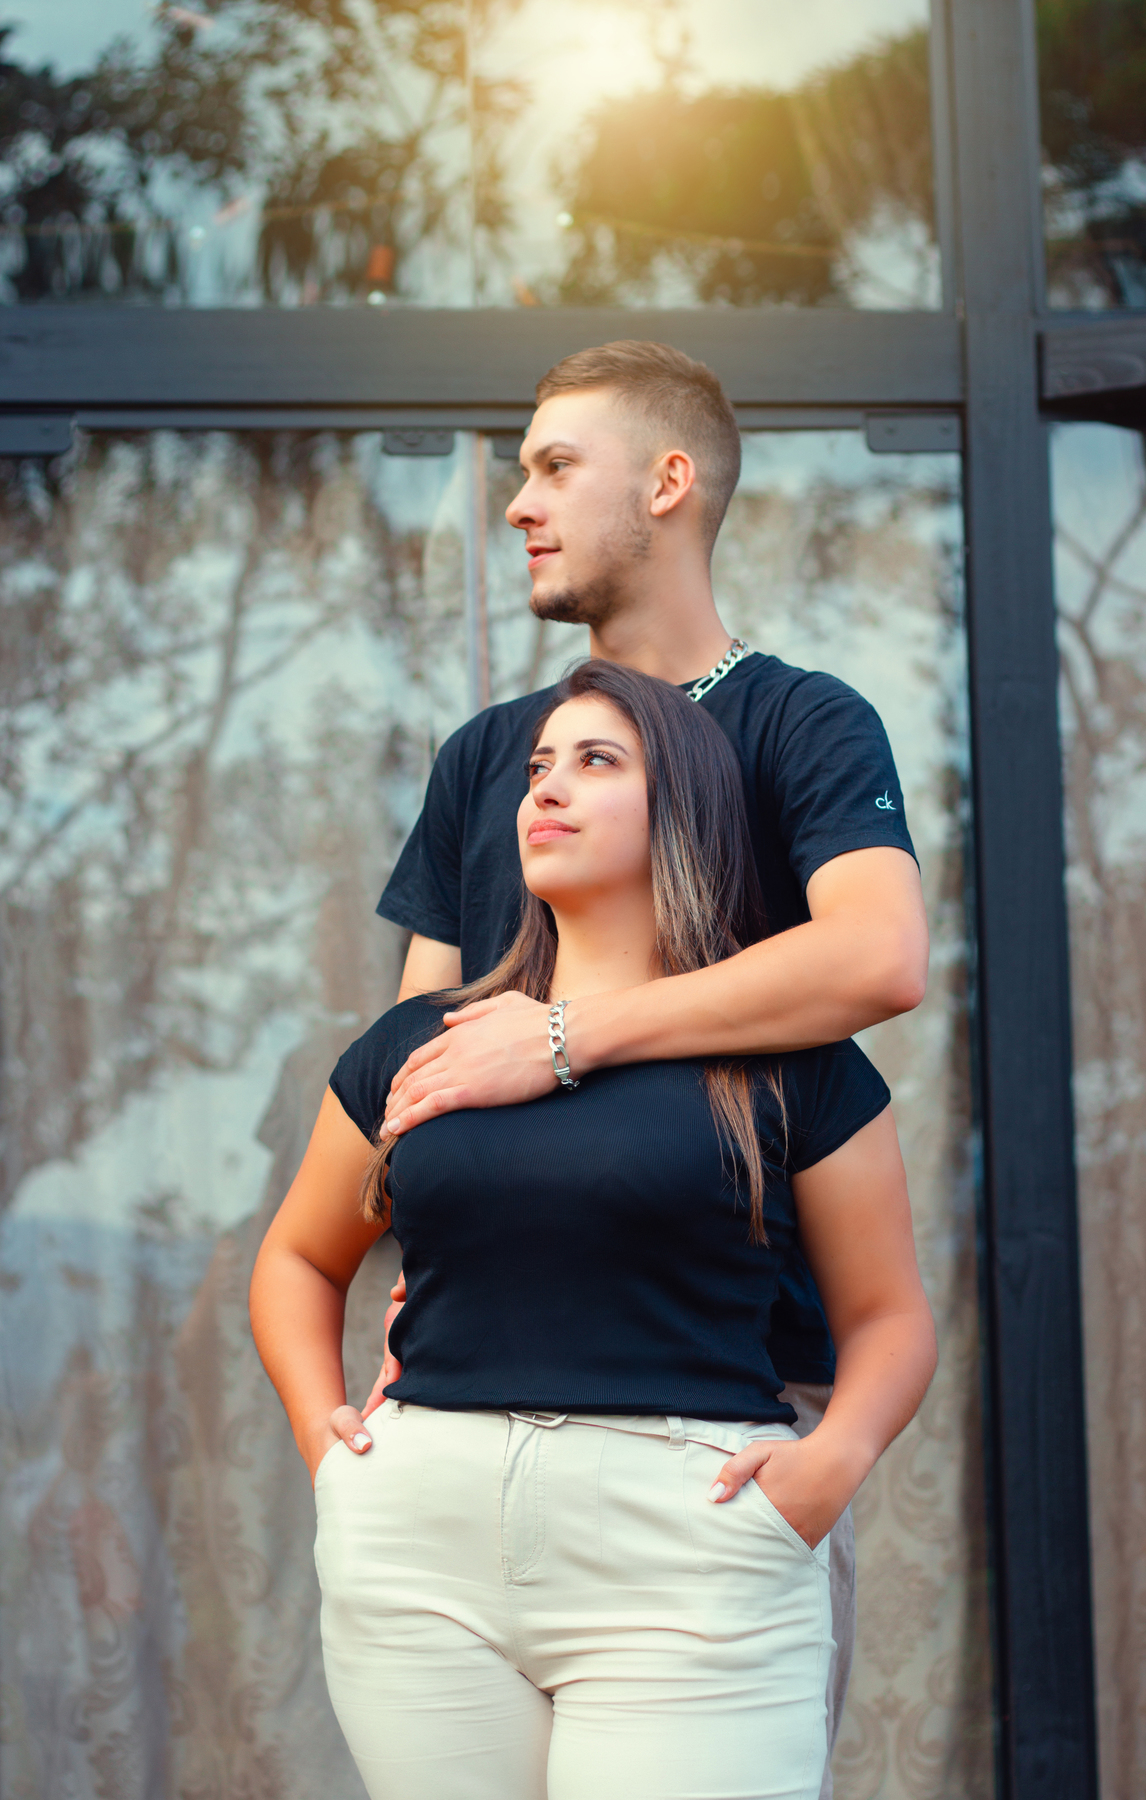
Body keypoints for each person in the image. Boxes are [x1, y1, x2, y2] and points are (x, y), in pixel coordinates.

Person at [347, 339, 928, 1793]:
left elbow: (877, 957)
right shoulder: (493, 759)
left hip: (723, 1421)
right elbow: (423, 1052)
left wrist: (568, 1039)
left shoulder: (801, 721)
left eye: (556, 467)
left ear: (668, 483)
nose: (517, 503)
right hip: (466, 1438)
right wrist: (421, 1270)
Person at [249, 659, 937, 1800]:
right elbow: (298, 1258)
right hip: (419, 1553)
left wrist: (832, 1465)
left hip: (692, 1553)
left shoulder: (793, 1062)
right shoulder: (424, 1042)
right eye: (537, 768)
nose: (547, 789)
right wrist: (330, 1458)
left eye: (596, 761)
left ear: (684, 810)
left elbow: (890, 1316)